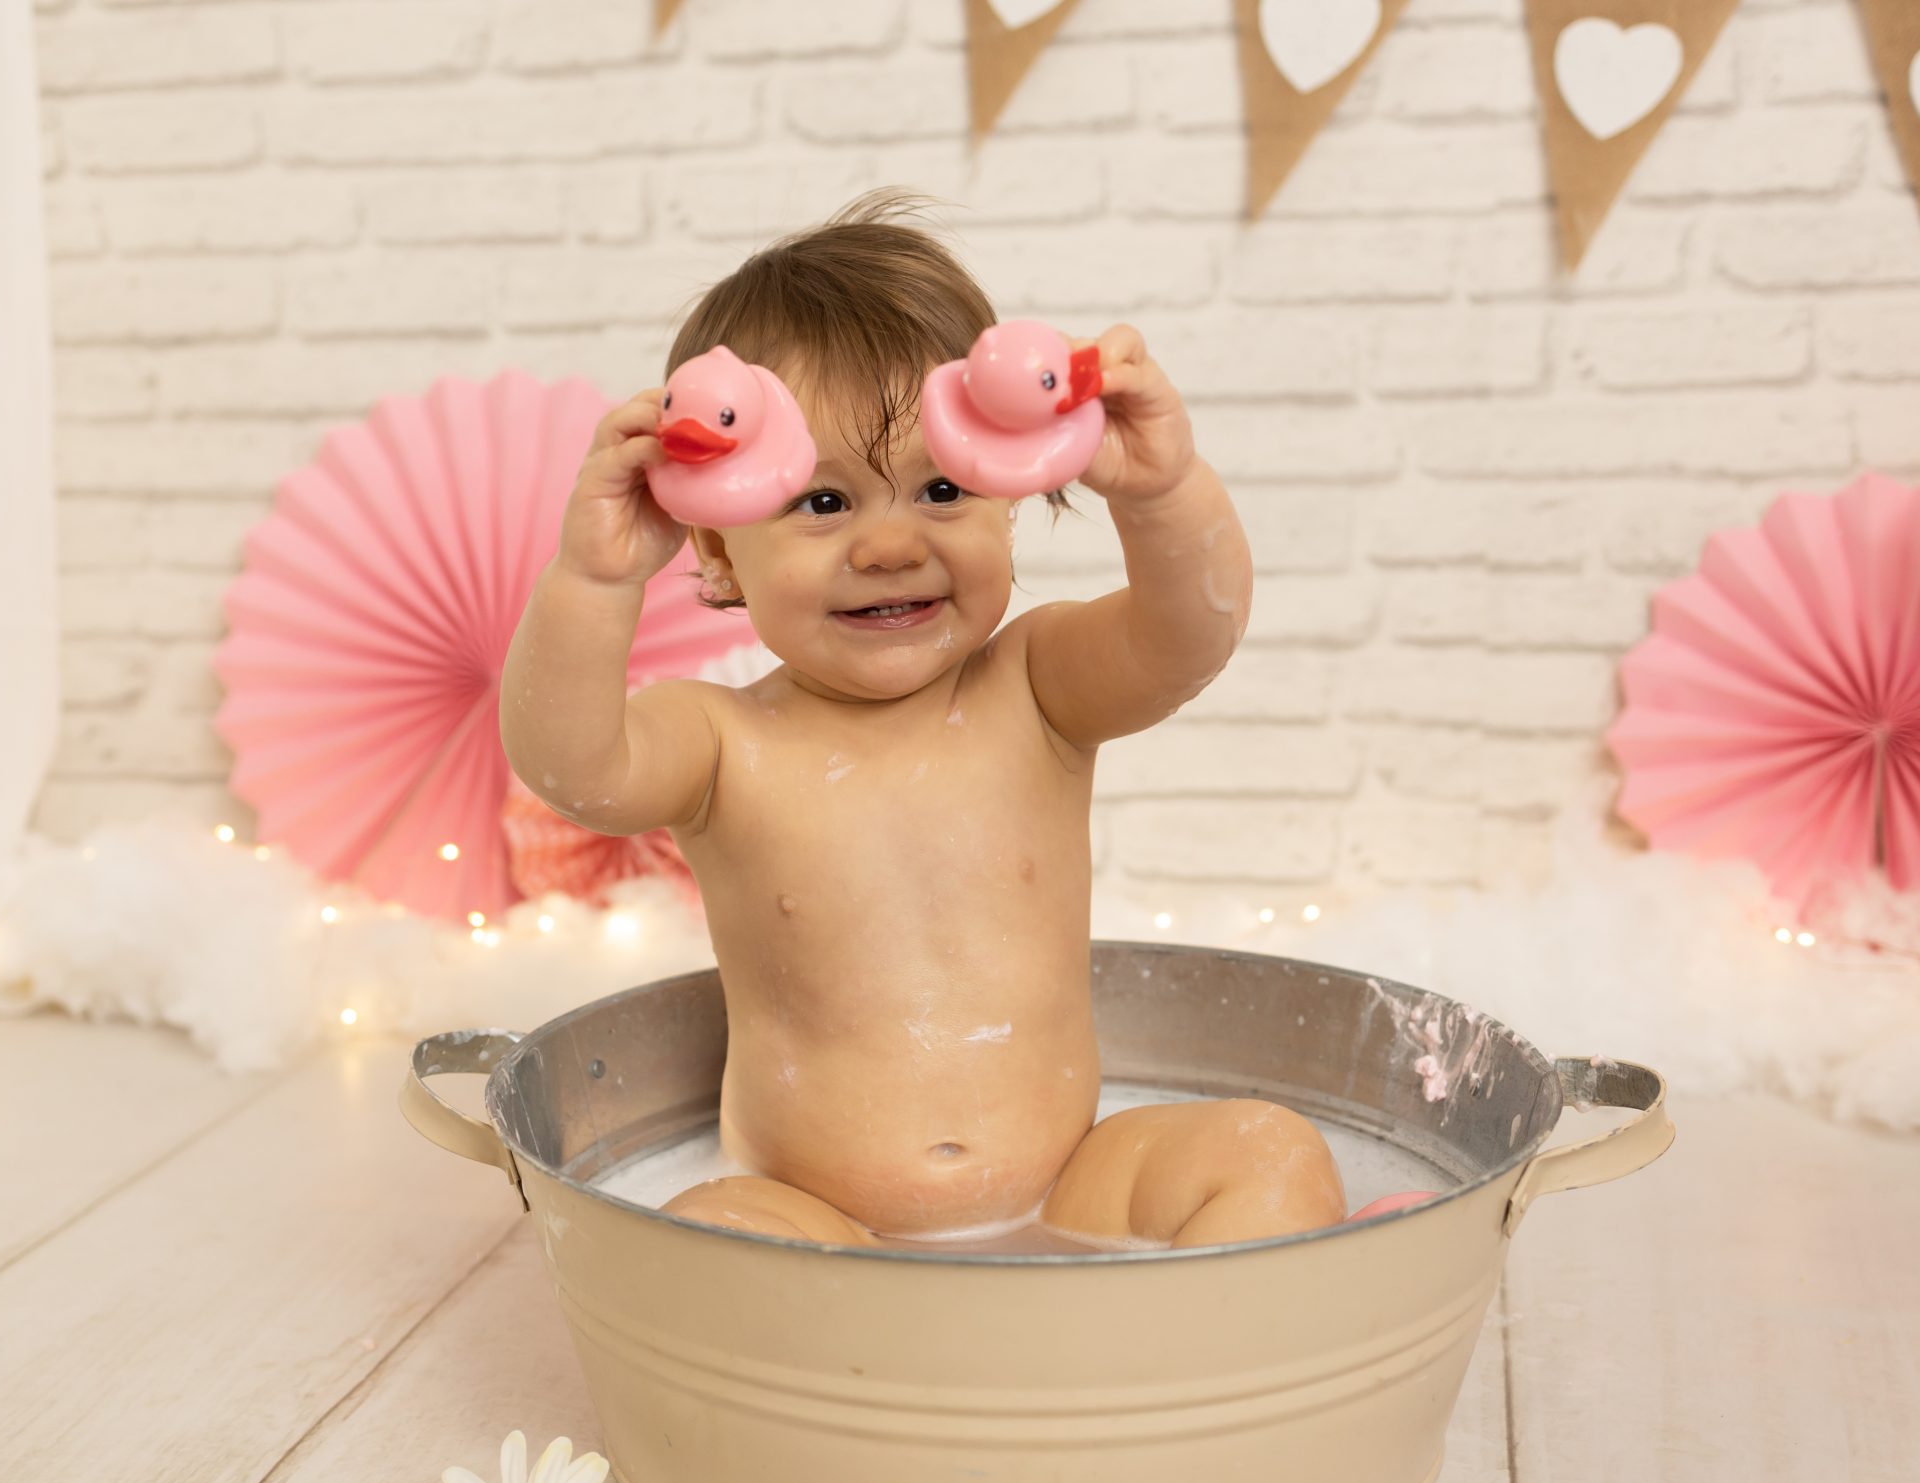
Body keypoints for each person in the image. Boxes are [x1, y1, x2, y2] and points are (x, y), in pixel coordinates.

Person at [499, 191, 1343, 1250]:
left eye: (940, 488)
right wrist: (593, 577)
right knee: (710, 1240)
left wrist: (1160, 489)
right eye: (823, 504)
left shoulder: (1035, 686)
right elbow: (568, 765)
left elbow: (1189, 638)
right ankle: (874, 1374)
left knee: (1270, 1155)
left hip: (1067, 1191)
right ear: (714, 550)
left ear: (1014, 492)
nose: (890, 545)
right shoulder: (721, 744)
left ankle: (1157, 1385)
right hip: (816, 1214)